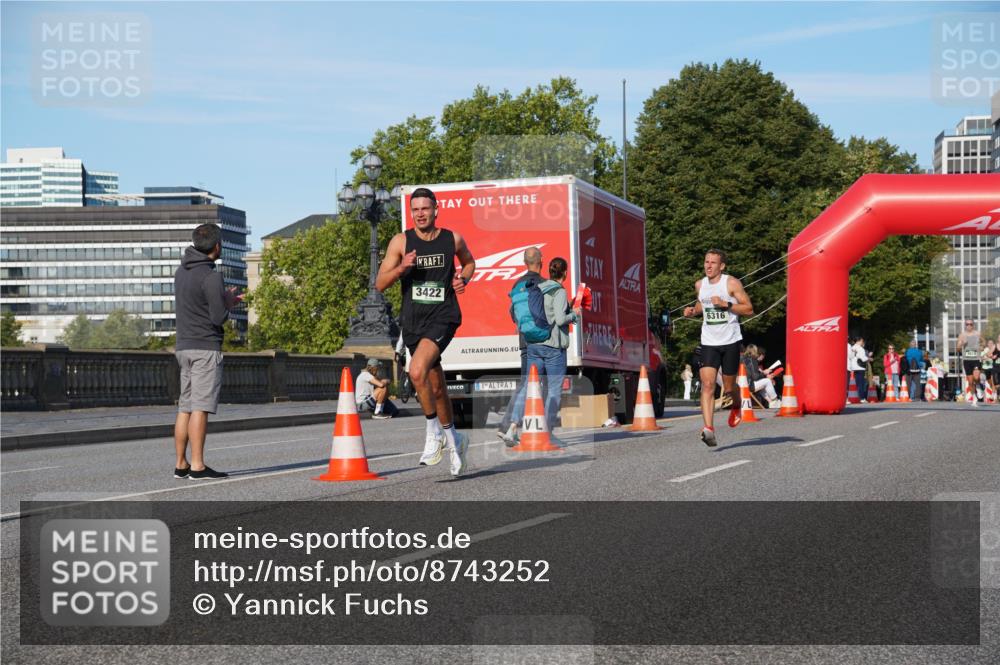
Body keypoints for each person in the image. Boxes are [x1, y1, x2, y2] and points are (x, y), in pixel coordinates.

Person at [376, 187, 475, 476]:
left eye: (425, 209)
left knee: (416, 371)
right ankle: (457, 441)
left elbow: (469, 262)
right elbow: (380, 284)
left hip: (443, 316)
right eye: (415, 209)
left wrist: (462, 279)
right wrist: (402, 268)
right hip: (414, 322)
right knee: (437, 387)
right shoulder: (401, 241)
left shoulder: (451, 239)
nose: (420, 214)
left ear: (435, 209)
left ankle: (433, 433)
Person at [173, 223, 242, 480]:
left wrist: (222, 298)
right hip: (205, 346)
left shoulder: (181, 271)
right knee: (200, 407)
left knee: (185, 407)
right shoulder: (211, 275)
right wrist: (228, 302)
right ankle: (198, 466)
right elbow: (217, 317)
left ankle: (181, 464)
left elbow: (195, 303)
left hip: (183, 345)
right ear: (217, 245)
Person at [682, 249, 753, 447]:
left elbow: (748, 308)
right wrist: (692, 311)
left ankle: (737, 405)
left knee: (729, 387)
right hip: (709, 343)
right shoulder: (700, 284)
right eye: (706, 262)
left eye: (713, 263)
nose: (709, 266)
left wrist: (726, 305)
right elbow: (701, 304)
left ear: (722, 266)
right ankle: (709, 429)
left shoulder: (731, 283)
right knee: (707, 385)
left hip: (730, 341)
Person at [526, 257, 581, 442]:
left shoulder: (540, 287)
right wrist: (574, 314)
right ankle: (547, 433)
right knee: (554, 390)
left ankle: (531, 429)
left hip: (534, 345)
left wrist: (567, 307)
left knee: (534, 389)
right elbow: (559, 319)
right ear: (565, 272)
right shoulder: (559, 291)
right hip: (552, 347)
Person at [497, 246, 543, 446]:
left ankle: (507, 426)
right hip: (542, 340)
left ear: (525, 262)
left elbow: (512, 312)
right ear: (540, 261)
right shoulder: (543, 284)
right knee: (542, 384)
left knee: (525, 382)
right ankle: (517, 427)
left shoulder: (516, 285)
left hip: (524, 339)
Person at [957, 319, 982, 400]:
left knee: (977, 377)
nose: (969, 326)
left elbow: (984, 342)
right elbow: (957, 349)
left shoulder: (977, 333)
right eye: (967, 324)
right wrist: (962, 344)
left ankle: (978, 386)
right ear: (965, 325)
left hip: (976, 358)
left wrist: (982, 346)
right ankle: (974, 397)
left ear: (973, 325)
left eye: (971, 324)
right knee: (970, 382)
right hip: (967, 360)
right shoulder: (962, 335)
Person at [849, 337, 869, 403]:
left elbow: (850, 357)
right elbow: (863, 358)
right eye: (862, 341)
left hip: (854, 367)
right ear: (859, 341)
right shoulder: (860, 348)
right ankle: (862, 398)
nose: (862, 342)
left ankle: (859, 397)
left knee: (858, 383)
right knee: (861, 384)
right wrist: (869, 358)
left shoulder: (852, 347)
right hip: (860, 367)